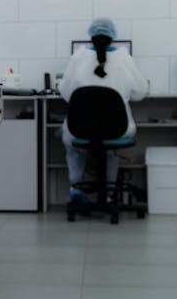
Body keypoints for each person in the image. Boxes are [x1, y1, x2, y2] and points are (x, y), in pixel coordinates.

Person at [59, 18, 148, 203]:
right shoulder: (125, 58)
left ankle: (76, 187)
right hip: (118, 128)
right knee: (111, 148)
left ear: (91, 37)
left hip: (80, 128)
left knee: (72, 144)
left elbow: (66, 94)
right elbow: (140, 93)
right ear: (112, 37)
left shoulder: (77, 58)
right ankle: (109, 193)